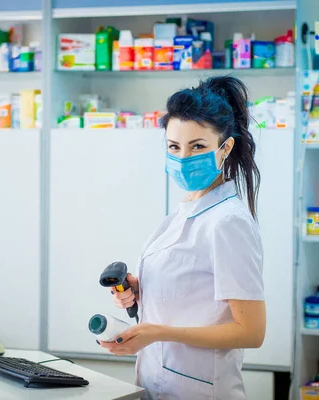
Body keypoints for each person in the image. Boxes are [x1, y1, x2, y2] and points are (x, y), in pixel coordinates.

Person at [98, 76, 266, 399]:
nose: (184, 158)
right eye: (175, 147)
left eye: (198, 146)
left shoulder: (228, 222)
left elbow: (252, 331)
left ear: (225, 147)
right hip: (160, 385)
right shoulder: (184, 212)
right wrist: (140, 291)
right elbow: (193, 293)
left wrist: (158, 332)